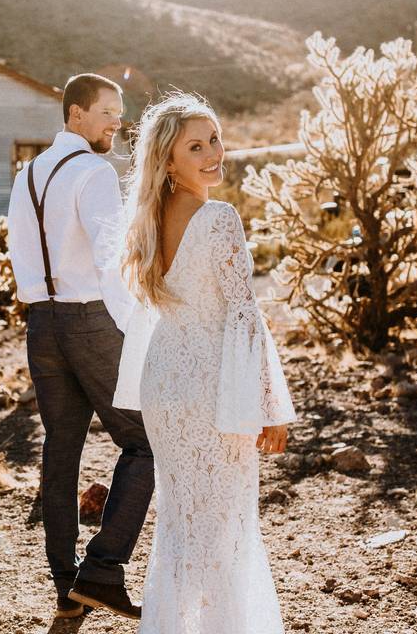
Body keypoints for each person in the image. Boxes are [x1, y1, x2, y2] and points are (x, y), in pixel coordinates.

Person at [114, 92, 296, 633]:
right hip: (210, 388)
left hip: (164, 380)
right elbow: (244, 315)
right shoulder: (218, 217)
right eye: (196, 146)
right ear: (169, 161)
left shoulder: (151, 215)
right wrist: (270, 405)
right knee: (224, 528)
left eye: (214, 139)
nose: (214, 152)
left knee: (182, 524)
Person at [7, 73, 154, 621]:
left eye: (119, 111)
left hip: (40, 323)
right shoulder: (93, 171)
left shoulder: (28, 176)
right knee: (145, 444)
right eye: (107, 112)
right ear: (75, 115)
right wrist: (134, 326)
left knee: (61, 450)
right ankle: (103, 570)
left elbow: (18, 248)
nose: (118, 121)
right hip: (91, 318)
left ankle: (67, 584)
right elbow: (110, 258)